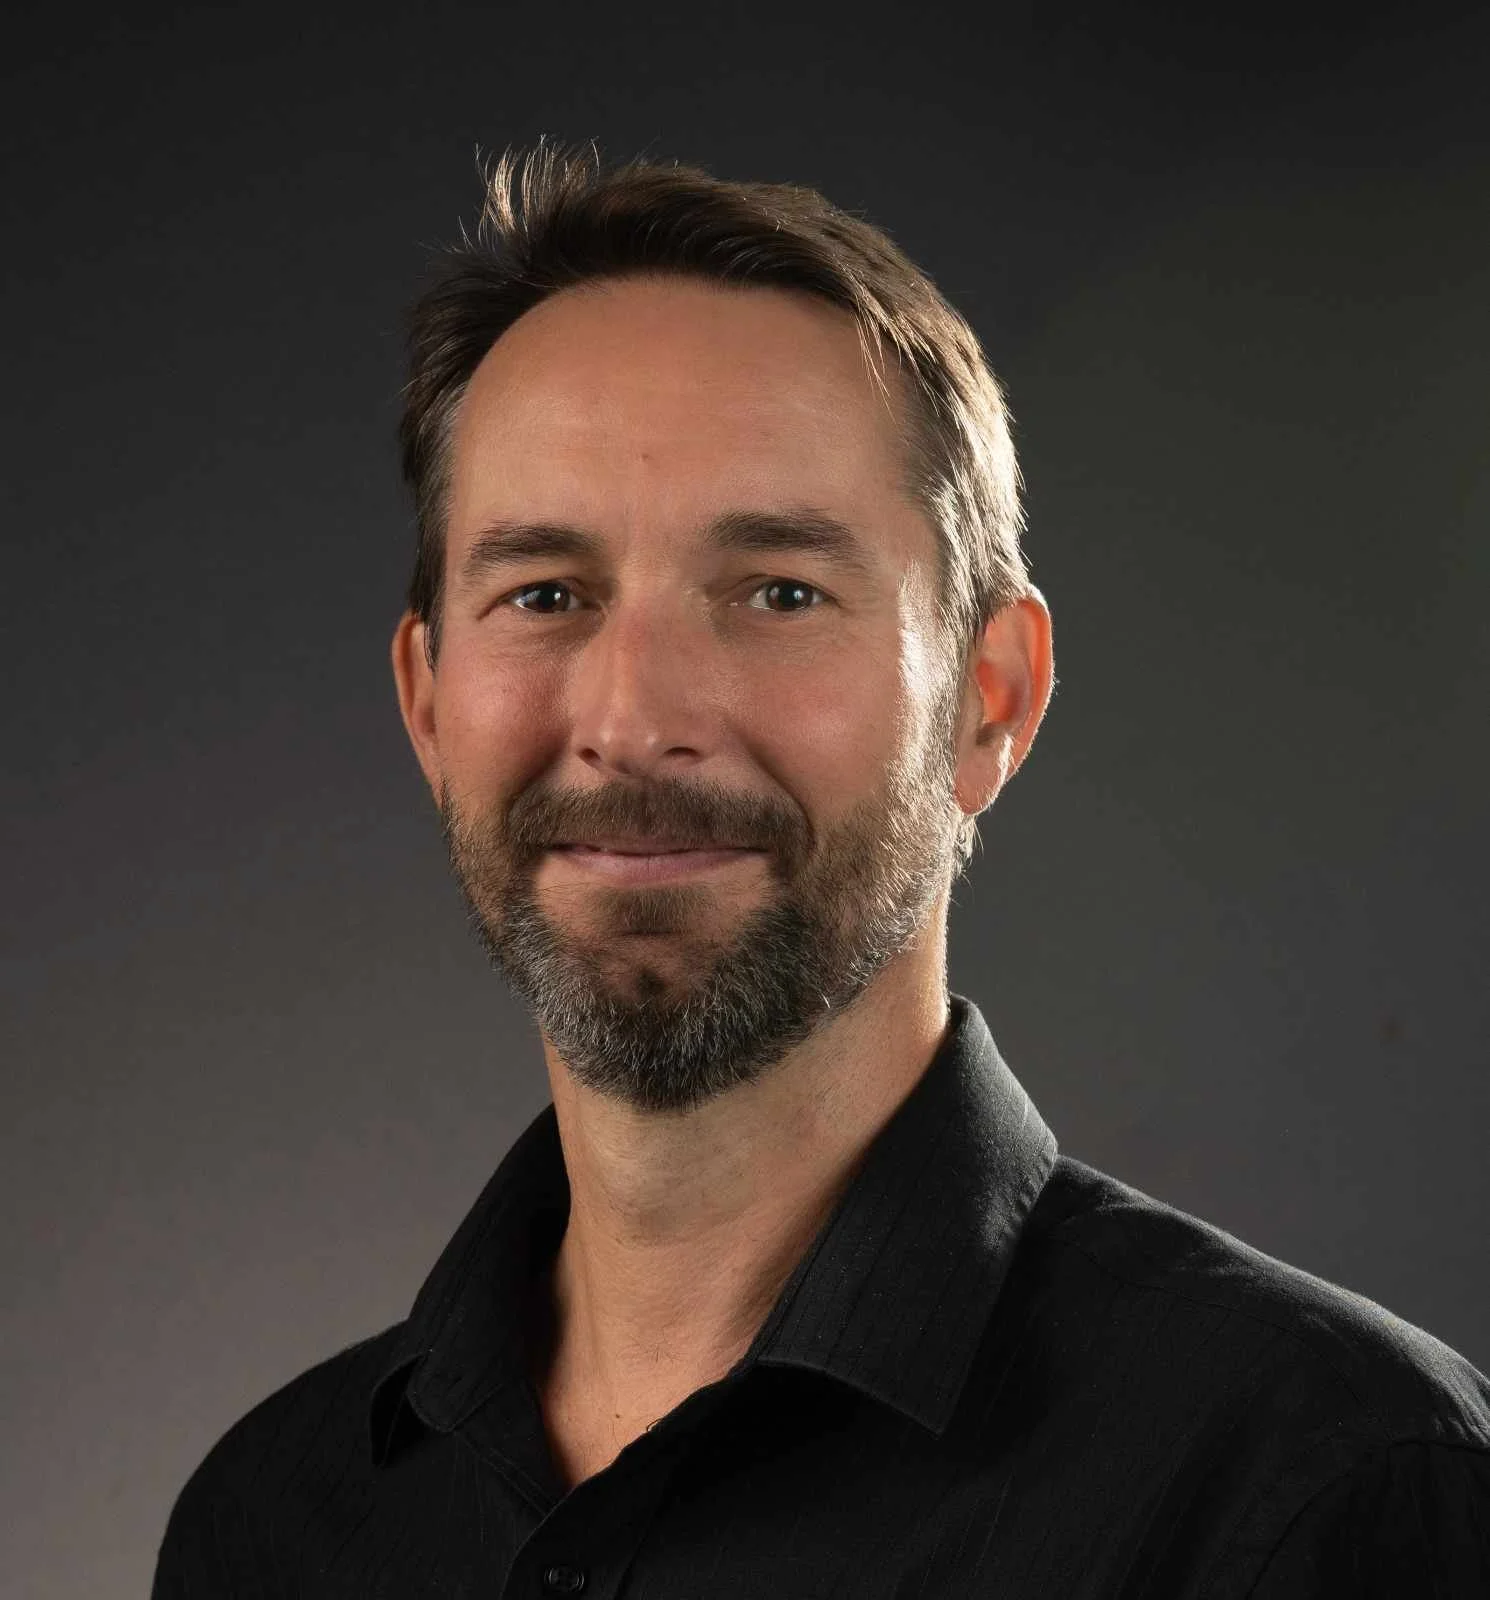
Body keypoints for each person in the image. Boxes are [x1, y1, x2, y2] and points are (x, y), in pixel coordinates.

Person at [152, 141, 1490, 1597]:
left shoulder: (1316, 1481)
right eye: (545, 594)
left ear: (992, 699)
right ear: (426, 700)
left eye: (777, 592)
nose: (633, 722)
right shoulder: (270, 1526)